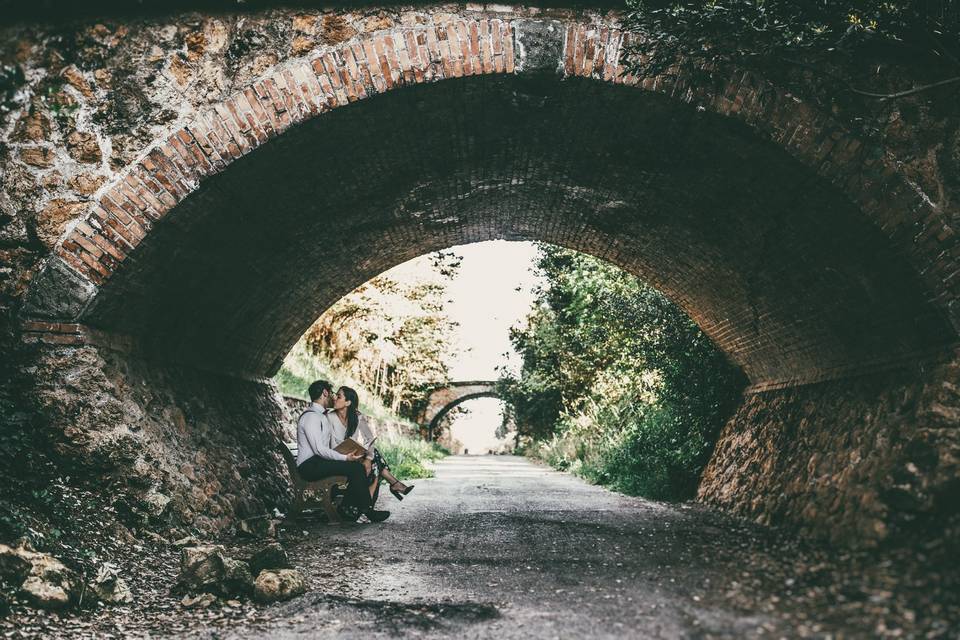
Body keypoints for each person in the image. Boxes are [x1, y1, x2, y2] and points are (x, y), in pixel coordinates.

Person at [295, 380, 390, 523]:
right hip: (309, 466)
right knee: (356, 468)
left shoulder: (321, 415)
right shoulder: (311, 417)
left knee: (358, 466)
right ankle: (367, 510)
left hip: (317, 462)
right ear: (325, 393)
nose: (333, 397)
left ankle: (350, 508)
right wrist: (344, 458)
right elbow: (319, 449)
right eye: (332, 394)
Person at [327, 386, 415, 502]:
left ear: (348, 402)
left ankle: (371, 501)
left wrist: (368, 459)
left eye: (338, 396)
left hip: (352, 456)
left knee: (373, 461)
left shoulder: (357, 417)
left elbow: (370, 438)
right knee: (376, 463)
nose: (334, 398)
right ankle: (392, 486)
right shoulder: (329, 416)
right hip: (337, 457)